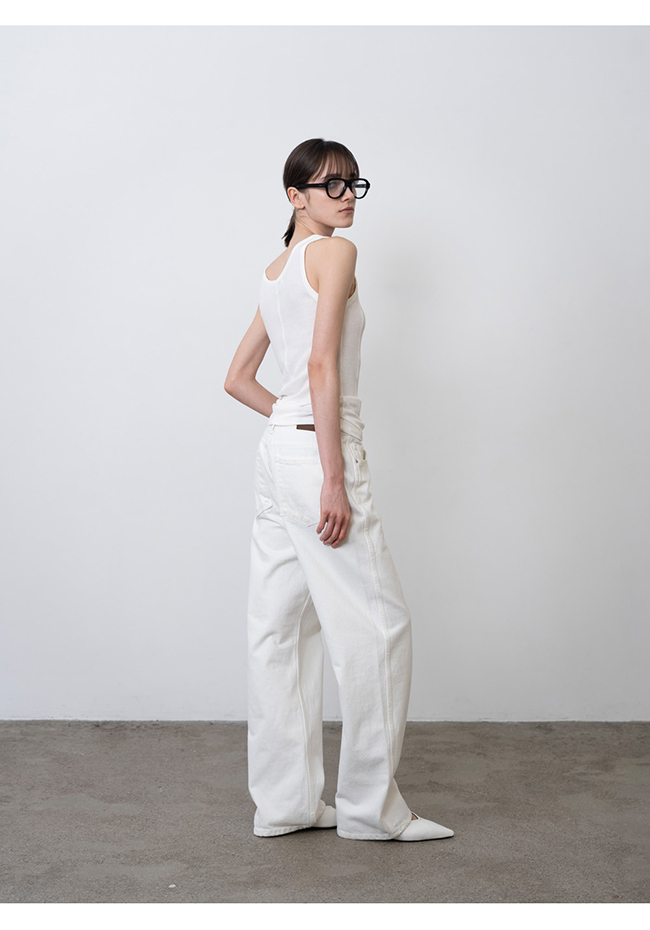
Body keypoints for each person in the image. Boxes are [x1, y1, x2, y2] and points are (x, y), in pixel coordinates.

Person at [225, 138, 454, 842]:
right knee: (380, 627)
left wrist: (289, 424)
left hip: (278, 455)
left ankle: (286, 805)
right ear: (295, 196)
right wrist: (331, 475)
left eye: (354, 183)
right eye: (330, 185)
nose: (347, 195)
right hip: (320, 452)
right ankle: (370, 810)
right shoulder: (334, 254)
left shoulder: (275, 272)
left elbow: (237, 379)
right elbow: (322, 365)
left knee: (280, 631)